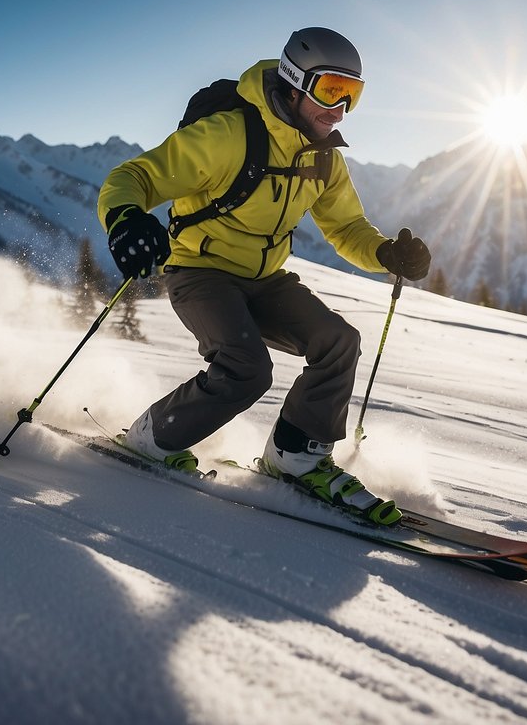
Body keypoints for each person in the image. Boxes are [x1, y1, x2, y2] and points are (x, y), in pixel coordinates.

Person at [97, 27, 431, 525]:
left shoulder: (323, 158)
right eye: (330, 90)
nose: (338, 108)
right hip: (200, 271)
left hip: (265, 279)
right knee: (245, 366)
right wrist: (126, 219)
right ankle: (151, 438)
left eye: (352, 95)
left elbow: (345, 226)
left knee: (338, 340)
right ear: (296, 84)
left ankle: (295, 457)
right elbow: (136, 177)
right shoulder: (228, 135)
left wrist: (385, 253)